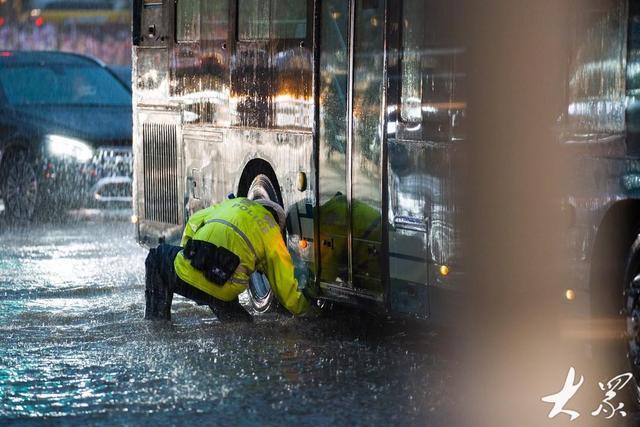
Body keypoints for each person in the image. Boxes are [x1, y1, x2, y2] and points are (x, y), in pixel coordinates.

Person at [144, 196, 314, 322]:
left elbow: (194, 222)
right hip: (222, 290)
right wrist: (310, 312)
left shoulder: (232, 204)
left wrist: (189, 256)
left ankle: (157, 323)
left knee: (156, 256)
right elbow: (286, 291)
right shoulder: (273, 234)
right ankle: (240, 322)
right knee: (241, 326)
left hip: (187, 274)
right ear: (278, 222)